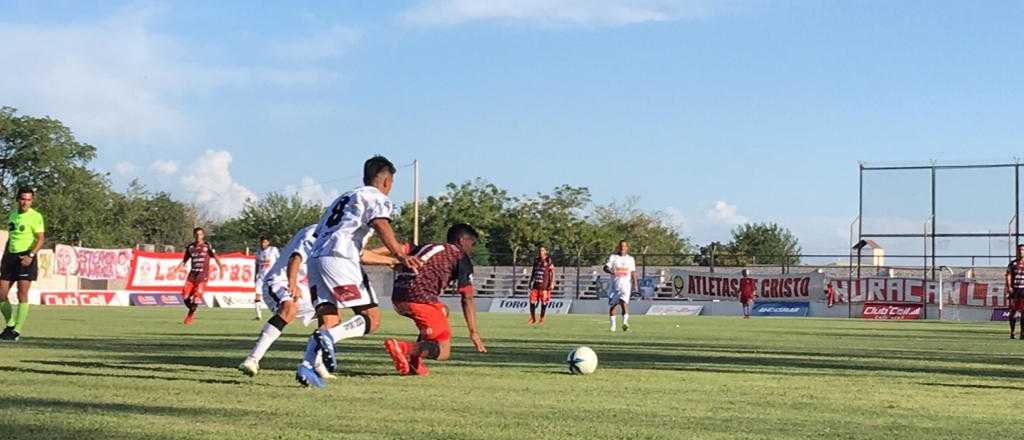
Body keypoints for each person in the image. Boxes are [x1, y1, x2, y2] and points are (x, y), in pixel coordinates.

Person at [294, 155, 421, 388]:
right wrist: (401, 254)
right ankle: (329, 339)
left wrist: (391, 260)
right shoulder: (375, 197)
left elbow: (353, 247)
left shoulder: (342, 199)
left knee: (329, 319)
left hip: (316, 260)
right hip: (341, 259)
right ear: (386, 181)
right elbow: (381, 224)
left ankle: (306, 366)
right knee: (372, 319)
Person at [383, 223, 487, 376]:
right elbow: (467, 297)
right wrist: (474, 333)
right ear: (462, 240)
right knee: (443, 351)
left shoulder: (429, 246)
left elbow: (401, 247)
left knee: (443, 310)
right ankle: (404, 348)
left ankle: (414, 364)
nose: (473, 248)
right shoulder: (461, 257)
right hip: (420, 299)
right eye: (473, 243)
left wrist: (367, 253)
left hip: (398, 296)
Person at [0, 188, 45, 342]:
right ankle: (10, 324)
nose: (25, 202)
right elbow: (11, 238)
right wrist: (5, 256)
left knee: (22, 294)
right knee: (1, 293)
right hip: (10, 257)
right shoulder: (12, 215)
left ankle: (16, 331)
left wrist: (31, 255)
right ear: (17, 199)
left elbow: (40, 239)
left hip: (26, 257)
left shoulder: (35, 216)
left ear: (32, 201)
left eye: (28, 199)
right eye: (22, 199)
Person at [172, 227, 225, 325]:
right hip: (192, 275)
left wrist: (221, 268)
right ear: (193, 235)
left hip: (202, 275)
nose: (198, 236)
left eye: (200, 234)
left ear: (203, 235)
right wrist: (175, 271)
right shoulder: (190, 247)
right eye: (196, 234)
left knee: (197, 296)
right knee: (185, 296)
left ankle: (190, 316)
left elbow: (216, 257)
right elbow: (184, 261)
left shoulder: (207, 246)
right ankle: (193, 309)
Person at [604, 240, 637, 332]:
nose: (622, 248)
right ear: (618, 247)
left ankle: (624, 323)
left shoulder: (630, 259)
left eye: (624, 246)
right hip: (615, 285)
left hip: (626, 285)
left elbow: (633, 272)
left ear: (627, 248)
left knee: (624, 304)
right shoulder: (613, 257)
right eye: (621, 246)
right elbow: (605, 268)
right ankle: (613, 326)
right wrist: (611, 271)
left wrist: (635, 285)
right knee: (613, 306)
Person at [527, 246, 555, 326]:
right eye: (539, 250)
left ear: (546, 251)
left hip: (544, 287)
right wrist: (530, 282)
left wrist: (552, 283)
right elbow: (533, 272)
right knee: (531, 302)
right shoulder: (536, 260)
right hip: (535, 286)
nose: (541, 252)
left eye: (542, 250)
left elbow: (552, 272)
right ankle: (533, 318)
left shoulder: (548, 260)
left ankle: (542, 318)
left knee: (544, 303)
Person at [253, 237, 280, 320]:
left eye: (265, 242)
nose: (263, 244)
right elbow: (257, 264)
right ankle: (258, 315)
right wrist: (255, 275)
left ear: (268, 242)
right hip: (261, 277)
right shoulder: (258, 252)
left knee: (273, 295)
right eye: (261, 242)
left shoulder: (273, 250)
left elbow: (279, 260)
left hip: (271, 277)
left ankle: (276, 313)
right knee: (257, 295)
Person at [1005, 244, 1024, 339]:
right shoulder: (1012, 264)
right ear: (1017, 251)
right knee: (1013, 312)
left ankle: (1022, 333)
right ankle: (1012, 332)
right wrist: (1009, 287)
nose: (1021, 252)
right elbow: (1008, 275)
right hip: (1015, 291)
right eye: (1019, 250)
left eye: (1023, 250)